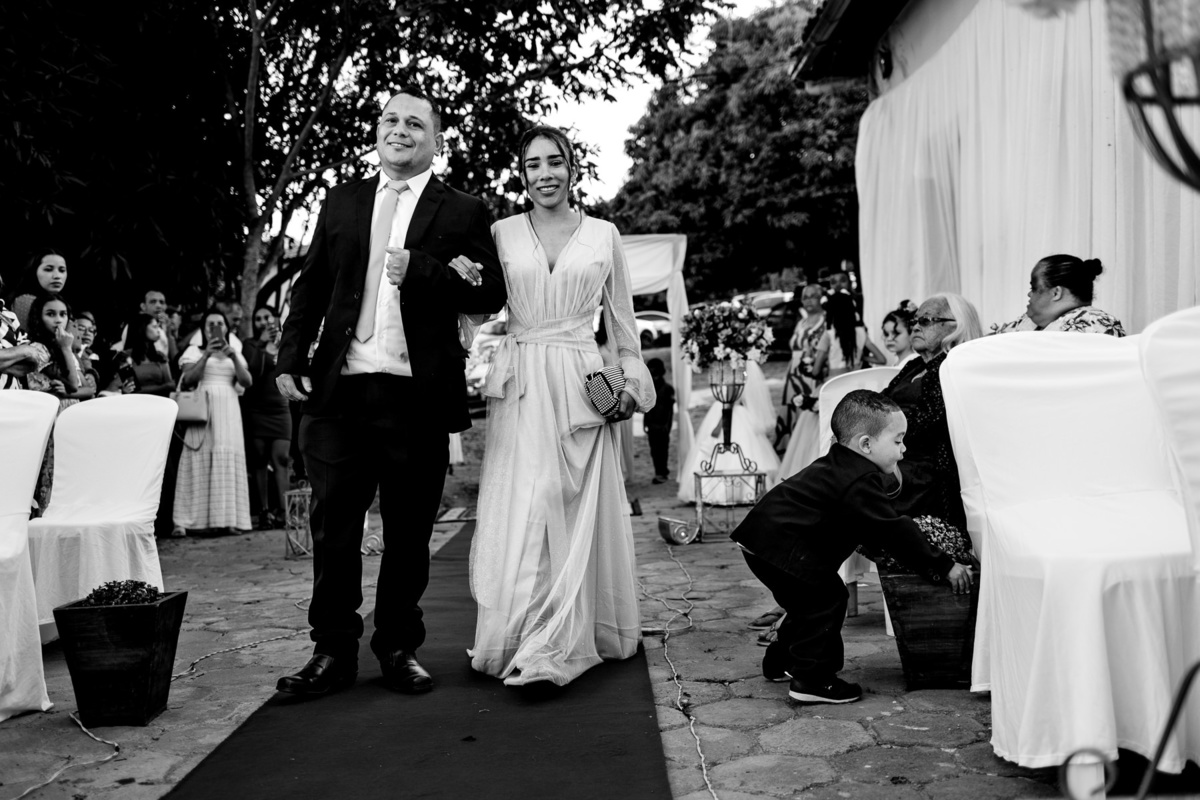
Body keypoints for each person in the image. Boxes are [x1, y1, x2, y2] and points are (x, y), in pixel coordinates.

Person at [273, 86, 506, 697]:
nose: (398, 130)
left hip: (415, 395)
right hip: (340, 391)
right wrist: (289, 356)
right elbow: (313, 285)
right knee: (334, 527)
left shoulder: (462, 210)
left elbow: (490, 294)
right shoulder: (343, 201)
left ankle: (399, 646)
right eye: (389, 120)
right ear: (378, 131)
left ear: (435, 139)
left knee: (408, 530)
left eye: (414, 123)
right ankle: (332, 651)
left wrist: (425, 270)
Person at [467, 124, 654, 687]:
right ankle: (526, 634)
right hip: (521, 377)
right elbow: (475, 312)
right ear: (521, 176)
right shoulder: (499, 233)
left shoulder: (603, 234)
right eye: (532, 165)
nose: (544, 173)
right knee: (528, 502)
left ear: (573, 168)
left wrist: (630, 384)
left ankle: (568, 634)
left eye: (554, 162)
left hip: (580, 379)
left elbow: (623, 323)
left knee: (573, 504)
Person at [731, 390, 973, 704]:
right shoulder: (861, 480)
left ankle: (781, 662)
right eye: (898, 441)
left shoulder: (840, 465)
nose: (904, 449)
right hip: (780, 545)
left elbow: (865, 526)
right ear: (866, 444)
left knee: (808, 603)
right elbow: (894, 529)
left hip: (762, 541)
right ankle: (813, 680)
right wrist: (945, 565)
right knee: (826, 601)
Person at [882, 292, 982, 532]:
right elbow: (880, 401)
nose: (916, 326)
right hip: (895, 455)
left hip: (927, 472)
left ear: (955, 326)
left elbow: (927, 422)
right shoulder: (916, 364)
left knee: (847, 489)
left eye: (925, 321)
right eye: (914, 321)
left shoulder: (952, 366)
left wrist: (875, 436)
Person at [173, 307, 253, 536]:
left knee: (226, 457)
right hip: (203, 408)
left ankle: (228, 519)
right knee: (196, 457)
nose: (214, 328)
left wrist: (233, 356)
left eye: (219, 323)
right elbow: (188, 379)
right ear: (204, 328)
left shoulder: (235, 351)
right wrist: (206, 355)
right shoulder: (193, 351)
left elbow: (247, 382)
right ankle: (184, 522)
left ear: (226, 328)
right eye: (210, 324)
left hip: (228, 408)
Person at [25, 295, 87, 513]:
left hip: (66, 416)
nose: (58, 320)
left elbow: (73, 384)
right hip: (46, 418)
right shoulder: (34, 347)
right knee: (48, 470)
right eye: (50, 314)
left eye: (63, 314)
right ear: (38, 317)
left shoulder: (63, 347)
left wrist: (67, 348)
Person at [242, 305, 292, 530]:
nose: (263, 322)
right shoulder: (250, 345)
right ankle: (264, 511)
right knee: (260, 459)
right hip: (257, 409)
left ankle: (284, 511)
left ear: (275, 319)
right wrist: (262, 344)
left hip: (280, 409)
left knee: (281, 458)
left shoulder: (286, 340)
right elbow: (251, 372)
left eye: (267, 317)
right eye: (258, 318)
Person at [993, 254, 1126, 336]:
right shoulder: (1028, 322)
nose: (1029, 294)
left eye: (1033, 288)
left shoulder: (1095, 323)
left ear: (1056, 293)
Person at [813, 293, 886, 379]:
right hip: (856, 380)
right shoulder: (861, 332)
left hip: (835, 382)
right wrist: (861, 358)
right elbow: (881, 360)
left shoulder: (828, 334)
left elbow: (815, 371)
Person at [106, 313, 174, 396]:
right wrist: (163, 387)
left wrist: (165, 387)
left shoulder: (160, 356)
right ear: (142, 328)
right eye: (154, 326)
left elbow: (170, 385)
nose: (158, 330)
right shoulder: (124, 356)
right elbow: (131, 390)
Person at [7, 250, 68, 329]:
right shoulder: (25, 301)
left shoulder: (61, 303)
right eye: (48, 269)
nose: (57, 276)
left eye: (62, 270)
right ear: (34, 271)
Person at [644, 357, 675, 484]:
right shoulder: (648, 389)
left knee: (663, 449)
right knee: (654, 450)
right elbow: (646, 408)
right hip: (652, 424)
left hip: (663, 425)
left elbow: (670, 410)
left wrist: (668, 425)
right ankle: (659, 472)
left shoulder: (667, 389)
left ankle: (663, 472)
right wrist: (645, 424)